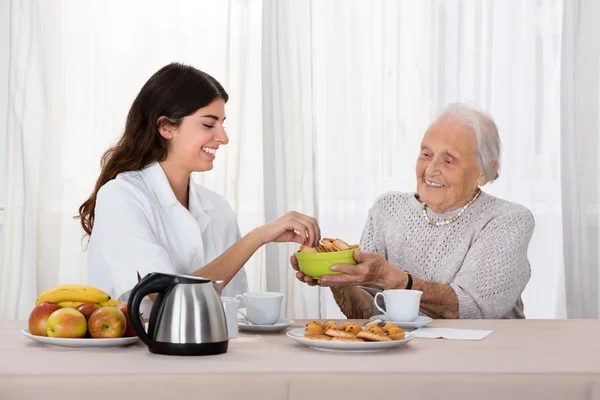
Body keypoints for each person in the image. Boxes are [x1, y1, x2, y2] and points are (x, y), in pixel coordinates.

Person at [79, 63, 320, 316]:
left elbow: (233, 307)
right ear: (166, 127)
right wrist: (258, 237)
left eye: (223, 124)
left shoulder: (217, 207)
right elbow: (169, 298)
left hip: (212, 353)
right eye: (208, 125)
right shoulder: (121, 197)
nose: (224, 137)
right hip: (139, 354)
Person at [291, 103, 535, 319]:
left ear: (484, 171)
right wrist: (340, 279)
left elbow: (471, 310)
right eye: (426, 154)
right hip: (405, 355)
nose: (430, 169)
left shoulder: (508, 220)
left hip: (485, 357)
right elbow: (366, 314)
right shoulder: (387, 209)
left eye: (448, 160)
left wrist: (396, 280)